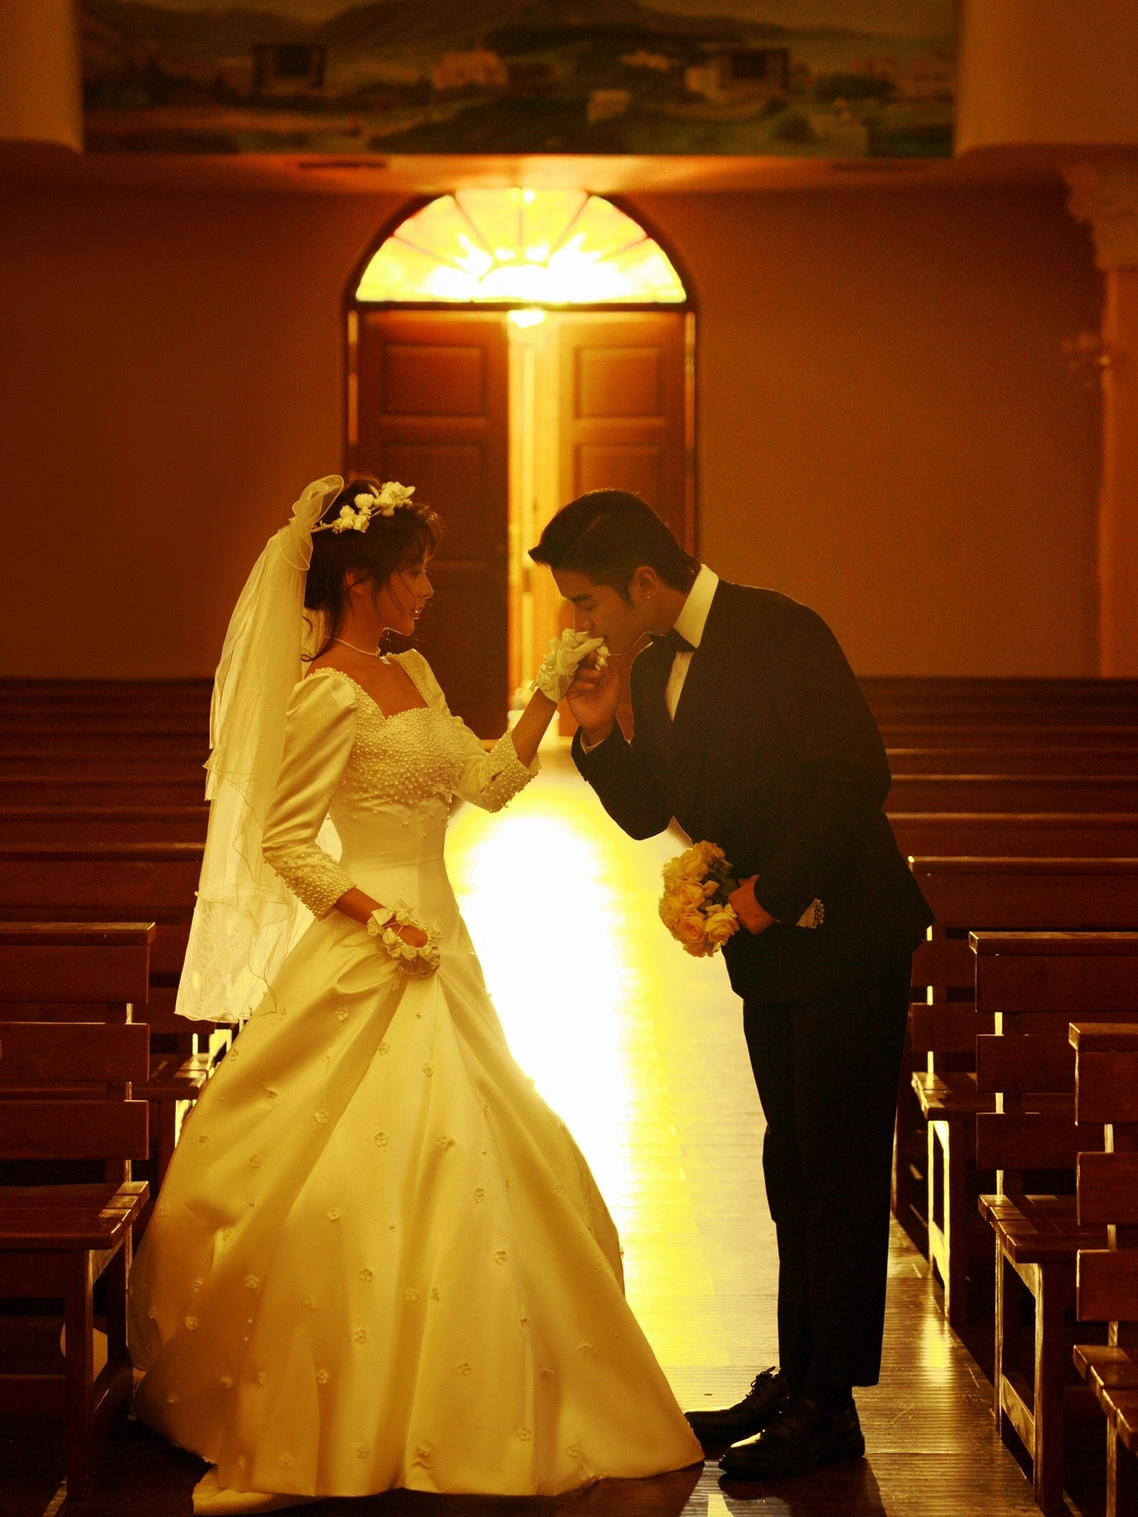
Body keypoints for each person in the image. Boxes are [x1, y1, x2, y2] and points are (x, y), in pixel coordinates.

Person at [129, 476, 702, 1515]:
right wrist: (375, 916)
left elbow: (485, 784)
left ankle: (481, 1397)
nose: (430, 588)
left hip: (445, 942)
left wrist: (548, 700)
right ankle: (353, 1410)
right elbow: (286, 842)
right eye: (415, 572)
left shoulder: (414, 672)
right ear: (362, 581)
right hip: (372, 946)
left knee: (488, 1151)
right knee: (361, 1177)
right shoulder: (324, 692)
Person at [529, 490, 933, 1482]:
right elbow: (650, 811)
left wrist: (768, 895)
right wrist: (595, 732)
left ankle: (829, 1406)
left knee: (837, 1171)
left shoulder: (780, 630)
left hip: (845, 935)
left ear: (643, 580)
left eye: (586, 600)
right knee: (791, 1165)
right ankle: (801, 1376)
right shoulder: (652, 664)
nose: (579, 621)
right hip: (773, 954)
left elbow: (856, 776)